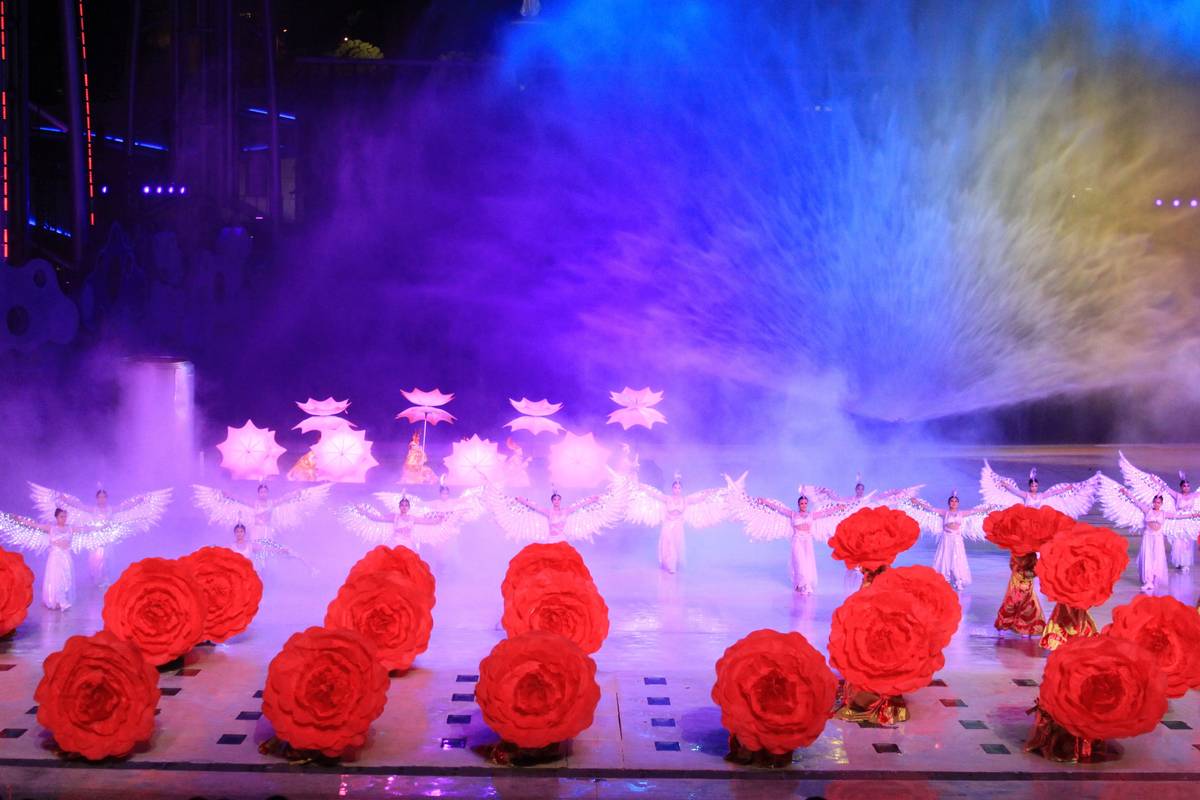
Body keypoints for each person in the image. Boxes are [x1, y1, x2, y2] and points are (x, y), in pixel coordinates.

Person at [726, 477, 858, 595]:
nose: (804, 505)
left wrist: (838, 508)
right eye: (802, 503)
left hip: (807, 541)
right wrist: (765, 501)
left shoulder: (811, 515)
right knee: (799, 562)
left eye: (805, 503)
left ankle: (806, 584)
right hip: (797, 540)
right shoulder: (793, 514)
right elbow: (778, 508)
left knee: (807, 563)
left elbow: (826, 512)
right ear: (798, 504)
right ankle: (802, 585)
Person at [625, 472, 731, 573]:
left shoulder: (686, 500)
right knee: (668, 544)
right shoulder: (667, 498)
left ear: (681, 489)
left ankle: (673, 565)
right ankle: (670, 566)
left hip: (678, 525)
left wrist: (712, 492)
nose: (677, 489)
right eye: (675, 487)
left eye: (679, 488)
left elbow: (699, 498)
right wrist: (640, 486)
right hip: (667, 524)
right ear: (672, 488)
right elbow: (653, 494)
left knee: (676, 545)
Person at [901, 490, 987, 590]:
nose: (954, 503)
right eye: (952, 501)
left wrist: (987, 508)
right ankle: (945, 579)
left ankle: (958, 580)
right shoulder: (945, 513)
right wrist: (918, 502)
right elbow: (930, 508)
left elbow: (974, 511)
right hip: (946, 538)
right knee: (945, 557)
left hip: (956, 539)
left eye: (956, 501)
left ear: (958, 503)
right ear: (949, 503)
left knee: (956, 558)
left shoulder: (961, 513)